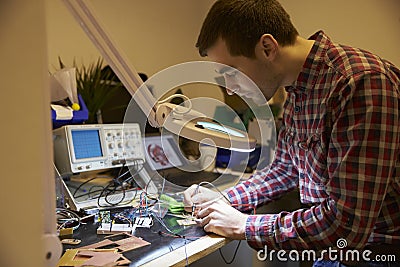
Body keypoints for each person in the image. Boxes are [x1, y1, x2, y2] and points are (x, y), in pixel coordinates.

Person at [183, 0, 400, 266]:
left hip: (375, 254)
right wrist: (225, 198)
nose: (229, 89)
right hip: (331, 250)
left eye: (232, 72)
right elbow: (287, 169)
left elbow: (347, 225)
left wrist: (245, 225)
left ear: (267, 47)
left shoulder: (360, 84)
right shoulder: (298, 90)